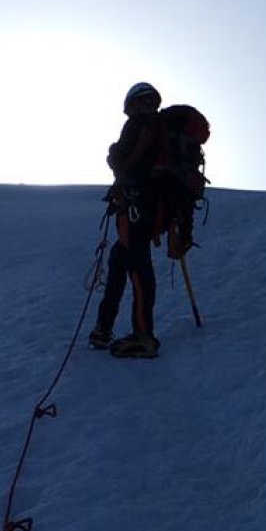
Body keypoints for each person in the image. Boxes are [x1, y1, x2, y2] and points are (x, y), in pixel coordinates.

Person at [90, 82, 168, 358]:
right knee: (120, 258)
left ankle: (143, 336)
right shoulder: (158, 128)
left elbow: (122, 160)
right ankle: (104, 328)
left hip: (136, 206)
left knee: (137, 264)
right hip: (149, 207)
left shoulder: (139, 123)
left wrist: (112, 153)